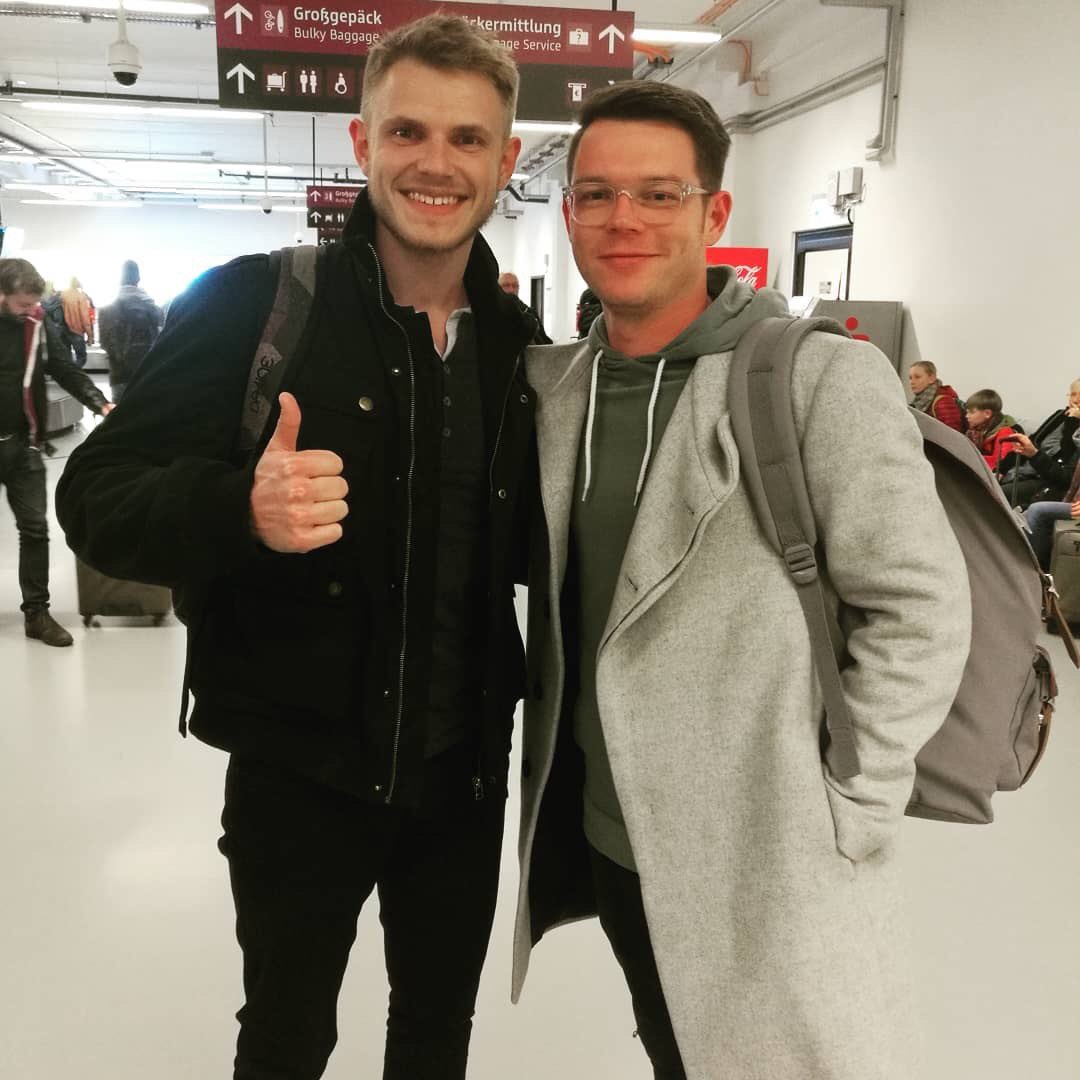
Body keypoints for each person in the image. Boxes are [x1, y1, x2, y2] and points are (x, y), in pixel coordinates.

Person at [57, 15, 537, 1079]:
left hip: (461, 778)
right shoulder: (256, 303)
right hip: (297, 776)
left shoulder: (519, 351)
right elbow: (94, 495)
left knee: (434, 1037)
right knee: (285, 1040)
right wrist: (239, 507)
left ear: (506, 160)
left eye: (468, 138)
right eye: (408, 131)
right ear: (363, 144)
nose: (437, 162)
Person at [511, 81, 971, 1080]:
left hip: (769, 841)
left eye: (659, 194)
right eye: (596, 194)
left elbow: (921, 608)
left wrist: (852, 799)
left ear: (714, 213)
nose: (624, 219)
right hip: (614, 832)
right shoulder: (556, 390)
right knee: (674, 1047)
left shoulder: (816, 381)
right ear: (568, 211)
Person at [0, 258, 112, 647]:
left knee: (35, 528)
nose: (30, 310)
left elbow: (63, 368)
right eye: (22, 303)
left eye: (34, 303)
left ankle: (37, 613)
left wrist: (100, 403)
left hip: (23, 444)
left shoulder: (36, 323)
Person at [998, 378, 1080, 508]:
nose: (1075, 400)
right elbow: (1032, 440)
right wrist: (1001, 469)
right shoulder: (1059, 415)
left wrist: (1073, 421)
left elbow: (1065, 472)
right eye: (1073, 394)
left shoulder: (1075, 428)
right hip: (1025, 471)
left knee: (998, 494)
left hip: (1045, 482)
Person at [97, 259, 164, 402]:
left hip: (120, 376)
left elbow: (104, 343)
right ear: (138, 279)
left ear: (120, 279)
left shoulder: (106, 311)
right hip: (149, 374)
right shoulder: (155, 310)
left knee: (122, 412)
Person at [964, 388, 1019, 471]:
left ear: (987, 414)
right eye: (967, 412)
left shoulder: (1005, 432)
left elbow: (1000, 462)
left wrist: (969, 459)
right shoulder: (976, 429)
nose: (967, 416)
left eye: (971, 412)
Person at [908, 359, 964, 431]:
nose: (912, 382)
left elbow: (953, 434)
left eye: (917, 377)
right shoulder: (920, 402)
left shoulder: (943, 402)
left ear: (931, 378)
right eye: (910, 378)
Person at [59, 276, 95, 368]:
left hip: (63, 330)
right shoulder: (80, 296)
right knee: (81, 357)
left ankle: (68, 372)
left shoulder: (62, 295)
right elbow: (85, 318)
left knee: (66, 358)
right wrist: (90, 336)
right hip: (77, 331)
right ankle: (74, 372)